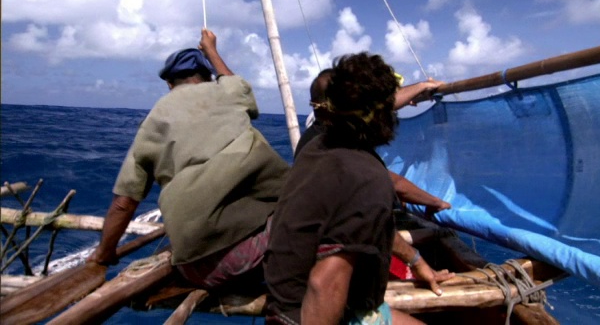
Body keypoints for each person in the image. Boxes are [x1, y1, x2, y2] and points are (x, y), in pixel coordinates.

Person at [88, 29, 290, 291]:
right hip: (252, 255)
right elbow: (235, 84)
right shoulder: (227, 93)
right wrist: (212, 51)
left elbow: (124, 203)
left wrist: (104, 253)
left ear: (170, 84)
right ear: (208, 78)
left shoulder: (153, 120)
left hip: (197, 269)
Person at [264, 53, 454, 325]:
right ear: (385, 115)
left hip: (284, 296)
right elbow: (323, 285)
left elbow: (375, 229)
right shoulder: (368, 179)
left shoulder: (318, 146)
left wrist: (418, 262)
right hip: (306, 313)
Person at [296, 69, 451, 214]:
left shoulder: (319, 132)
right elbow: (393, 183)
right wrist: (435, 202)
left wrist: (420, 87)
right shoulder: (337, 143)